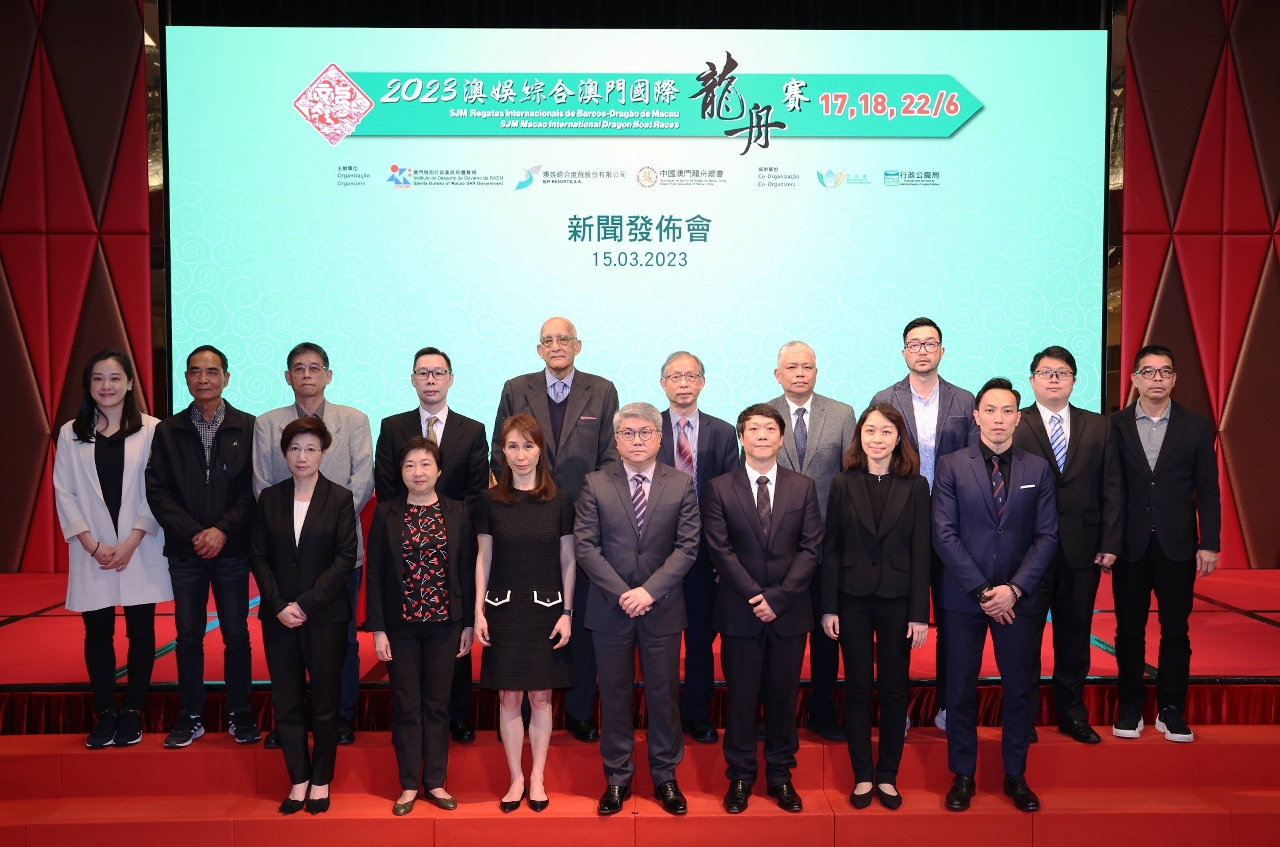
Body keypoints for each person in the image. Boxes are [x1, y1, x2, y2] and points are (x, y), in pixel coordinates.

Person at [932, 378, 1056, 813]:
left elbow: (1046, 536)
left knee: (1019, 688)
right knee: (959, 689)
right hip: (964, 597)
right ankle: (962, 774)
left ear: (1018, 418)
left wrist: (1014, 589)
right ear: (976, 415)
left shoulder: (1037, 468)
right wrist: (985, 590)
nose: (998, 419)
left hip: (1018, 600)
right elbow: (944, 534)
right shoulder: (951, 465)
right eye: (990, 410)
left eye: (1007, 411)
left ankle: (1015, 774)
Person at [491, 317, 619, 743]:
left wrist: (585, 511)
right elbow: (500, 451)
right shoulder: (516, 388)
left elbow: (609, 456)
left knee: (579, 618)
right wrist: (525, 503)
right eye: (548, 340)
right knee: (526, 618)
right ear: (539, 349)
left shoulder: (602, 390)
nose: (556, 345)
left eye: (564, 339)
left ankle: (579, 712)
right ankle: (518, 713)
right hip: (526, 520)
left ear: (577, 346)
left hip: (584, 521)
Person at [576, 402, 701, 816]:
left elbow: (688, 547)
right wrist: (623, 593)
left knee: (664, 696)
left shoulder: (680, 483)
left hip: (661, 607)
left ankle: (665, 777)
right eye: (628, 433)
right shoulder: (595, 483)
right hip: (610, 609)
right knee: (614, 696)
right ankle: (617, 778)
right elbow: (586, 547)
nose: (637, 440)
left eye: (645, 432)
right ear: (616, 440)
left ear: (660, 438)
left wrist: (648, 592)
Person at [704, 404, 823, 815]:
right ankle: (739, 777)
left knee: (783, 699)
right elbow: (719, 548)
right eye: (753, 429)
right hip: (741, 611)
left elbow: (810, 547)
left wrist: (780, 598)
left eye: (769, 429)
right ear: (741, 437)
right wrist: (757, 596)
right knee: (740, 699)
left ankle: (780, 776)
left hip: (789, 613)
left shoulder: (802, 486)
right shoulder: (720, 487)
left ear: (781, 437)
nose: (761, 435)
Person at [253, 342, 373, 749]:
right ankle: (288, 719)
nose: (307, 374)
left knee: (341, 640)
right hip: (284, 556)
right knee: (285, 638)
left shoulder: (354, 420)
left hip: (339, 554)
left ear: (328, 375)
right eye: (299, 368)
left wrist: (326, 522)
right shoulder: (267, 423)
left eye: (315, 367)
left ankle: (340, 716)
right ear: (288, 376)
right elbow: (262, 484)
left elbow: (363, 480)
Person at [53, 350, 172, 749]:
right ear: (88, 386)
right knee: (97, 632)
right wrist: (90, 543)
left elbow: (158, 488)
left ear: (130, 384)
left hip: (140, 546)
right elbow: (64, 491)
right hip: (93, 549)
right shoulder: (71, 432)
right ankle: (105, 713)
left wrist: (133, 539)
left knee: (141, 630)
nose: (107, 386)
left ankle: (133, 711)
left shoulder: (153, 429)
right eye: (98, 378)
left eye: (115, 378)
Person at [869, 317, 979, 734]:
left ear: (941, 351)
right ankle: (899, 707)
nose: (922, 350)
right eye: (914, 344)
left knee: (953, 621)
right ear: (904, 352)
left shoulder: (964, 399)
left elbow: (973, 464)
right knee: (897, 620)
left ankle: (949, 704)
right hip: (899, 525)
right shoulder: (885, 398)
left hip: (954, 525)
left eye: (930, 343)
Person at [146, 345, 258, 747]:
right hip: (185, 551)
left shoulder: (249, 427)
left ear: (226, 377)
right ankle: (190, 716)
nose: (204, 379)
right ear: (186, 379)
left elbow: (254, 489)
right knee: (188, 636)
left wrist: (222, 530)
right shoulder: (168, 430)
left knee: (236, 635)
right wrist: (195, 532)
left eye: (212, 371)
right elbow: (157, 491)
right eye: (195, 371)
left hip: (233, 550)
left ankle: (240, 713)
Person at [820, 404, 930, 810]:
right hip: (852, 599)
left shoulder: (916, 485)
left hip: (899, 601)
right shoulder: (842, 482)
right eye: (870, 431)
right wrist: (828, 607)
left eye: (886, 432)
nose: (877, 439)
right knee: (858, 687)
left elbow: (922, 550)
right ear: (859, 436)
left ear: (898, 438)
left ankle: (888, 775)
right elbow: (831, 548)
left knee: (894, 688)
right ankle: (862, 774)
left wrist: (920, 613)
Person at [375, 346, 489, 743]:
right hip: (404, 542)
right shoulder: (392, 426)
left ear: (450, 379)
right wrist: (408, 527)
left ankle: (456, 715)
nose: (430, 380)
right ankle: (413, 720)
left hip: (453, 543)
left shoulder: (472, 430)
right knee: (409, 645)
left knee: (453, 634)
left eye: (438, 373)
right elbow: (386, 485)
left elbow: (476, 490)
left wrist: (451, 526)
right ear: (412, 379)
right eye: (423, 373)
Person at [1012, 346, 1122, 744]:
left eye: (1062, 372)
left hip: (1082, 550)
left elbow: (1112, 486)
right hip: (1026, 553)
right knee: (1024, 639)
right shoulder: (1015, 423)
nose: (1054, 378)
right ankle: (1022, 718)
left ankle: (1072, 714)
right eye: (1046, 372)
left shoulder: (1099, 426)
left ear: (1075, 380)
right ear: (1032, 381)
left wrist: (1110, 540)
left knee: (1075, 637)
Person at [1109, 345, 1219, 744]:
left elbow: (1207, 488)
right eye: (1148, 371)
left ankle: (1171, 708)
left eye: (1165, 372)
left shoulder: (1197, 425)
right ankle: (1130, 705)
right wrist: (1107, 540)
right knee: (1129, 630)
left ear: (1174, 379)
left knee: (1176, 630)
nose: (1157, 378)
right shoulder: (1114, 425)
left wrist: (1210, 542)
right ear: (1134, 378)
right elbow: (1109, 489)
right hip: (1129, 545)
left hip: (1178, 545)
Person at [251, 417, 358, 815]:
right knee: (288, 700)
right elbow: (258, 555)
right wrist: (279, 604)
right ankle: (298, 778)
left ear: (323, 453)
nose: (302, 456)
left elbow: (345, 558)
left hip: (325, 616)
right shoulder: (269, 498)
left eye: (311, 448)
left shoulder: (339, 498)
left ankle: (321, 779)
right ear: (285, 453)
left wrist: (307, 604)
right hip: (278, 617)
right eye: (295, 448)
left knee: (326, 702)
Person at [365, 436, 475, 815]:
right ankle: (409, 784)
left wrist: (468, 624)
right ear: (401, 472)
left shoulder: (458, 511)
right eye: (410, 465)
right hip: (401, 626)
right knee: (406, 705)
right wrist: (378, 628)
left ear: (439, 470)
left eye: (426, 464)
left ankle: (436, 782)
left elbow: (466, 570)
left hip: (446, 625)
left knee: (438, 705)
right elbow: (375, 573)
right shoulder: (386, 513)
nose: (418, 472)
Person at [475, 414, 576, 812]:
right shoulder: (489, 500)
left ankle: (538, 777)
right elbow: (483, 558)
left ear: (540, 450)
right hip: (502, 610)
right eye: (512, 446)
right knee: (508, 697)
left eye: (528, 446)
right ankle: (516, 777)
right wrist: (479, 611)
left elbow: (568, 559)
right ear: (502, 451)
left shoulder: (561, 500)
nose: (520, 455)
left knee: (541, 697)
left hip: (546, 613)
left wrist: (567, 612)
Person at [768, 341, 856, 741]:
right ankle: (773, 716)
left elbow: (851, 477)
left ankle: (822, 710)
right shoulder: (763, 415)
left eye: (807, 366)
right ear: (778, 374)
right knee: (776, 638)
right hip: (775, 549)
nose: (800, 373)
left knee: (826, 635)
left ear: (816, 372)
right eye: (792, 367)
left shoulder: (841, 414)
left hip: (827, 547)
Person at [654, 351, 740, 744]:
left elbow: (730, 497)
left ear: (702, 382)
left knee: (701, 639)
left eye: (691, 376)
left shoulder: (722, 432)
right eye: (676, 376)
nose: (684, 383)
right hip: (655, 554)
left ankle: (696, 713)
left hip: (705, 554)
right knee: (660, 640)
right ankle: (663, 715)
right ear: (663, 384)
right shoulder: (648, 428)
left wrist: (723, 555)